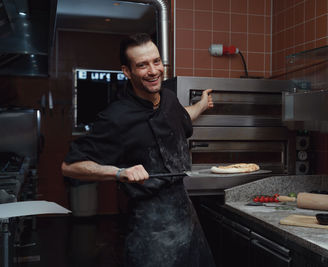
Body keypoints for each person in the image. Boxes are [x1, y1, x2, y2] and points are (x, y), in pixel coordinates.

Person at [61, 33, 216, 267]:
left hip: (187, 219)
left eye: (156, 62)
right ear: (127, 71)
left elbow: (183, 116)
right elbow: (70, 166)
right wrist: (118, 172)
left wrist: (202, 105)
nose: (153, 71)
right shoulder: (116, 117)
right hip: (150, 230)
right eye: (142, 65)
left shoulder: (169, 100)